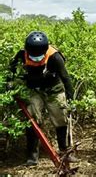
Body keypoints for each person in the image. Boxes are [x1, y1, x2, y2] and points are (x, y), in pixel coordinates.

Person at [8, 31, 77, 166]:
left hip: (53, 89)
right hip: (33, 89)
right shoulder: (22, 54)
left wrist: (71, 99)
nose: (36, 59)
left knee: (60, 117)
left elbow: (66, 78)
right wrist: (10, 81)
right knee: (33, 118)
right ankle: (32, 156)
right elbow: (12, 69)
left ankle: (65, 151)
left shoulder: (55, 57)